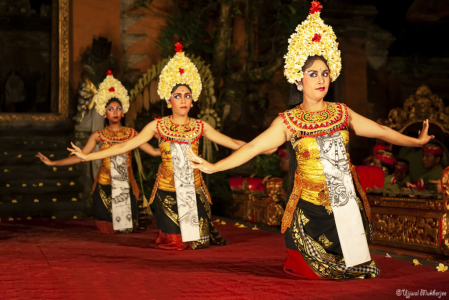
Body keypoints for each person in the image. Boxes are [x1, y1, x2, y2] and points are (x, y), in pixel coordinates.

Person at [185, 1, 434, 280]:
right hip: (308, 213)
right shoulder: (288, 121)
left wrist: (415, 142)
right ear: (299, 81)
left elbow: (379, 130)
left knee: (361, 270)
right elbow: (255, 147)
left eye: (325, 73)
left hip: (344, 208)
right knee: (312, 272)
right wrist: (215, 167)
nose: (321, 79)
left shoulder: (341, 112)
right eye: (313, 74)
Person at [68, 43, 271, 250]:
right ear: (168, 101)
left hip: (194, 191)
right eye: (177, 96)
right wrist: (87, 156)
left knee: (198, 243)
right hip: (167, 192)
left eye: (187, 95)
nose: (183, 100)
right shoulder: (157, 126)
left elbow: (234, 143)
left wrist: (263, 147)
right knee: (176, 244)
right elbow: (124, 146)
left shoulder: (201, 126)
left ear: (193, 100)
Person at [38, 71, 160, 234]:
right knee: (107, 231)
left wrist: (168, 145)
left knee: (126, 231)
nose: (115, 112)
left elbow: (153, 151)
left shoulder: (132, 134)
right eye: (110, 109)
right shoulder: (98, 135)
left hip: (125, 185)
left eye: (118, 108)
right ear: (104, 113)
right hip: (105, 185)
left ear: (123, 112)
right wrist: (53, 163)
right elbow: (80, 157)